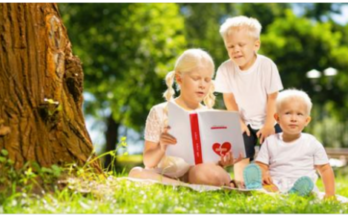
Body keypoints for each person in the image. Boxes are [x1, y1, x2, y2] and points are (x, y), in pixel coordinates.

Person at [129, 49, 242, 187]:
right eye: (196, 78)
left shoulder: (211, 116)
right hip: (166, 175)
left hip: (199, 173)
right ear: (179, 78)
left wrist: (223, 161)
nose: (202, 85)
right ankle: (187, 187)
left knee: (205, 173)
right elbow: (148, 162)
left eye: (207, 80)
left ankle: (186, 186)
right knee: (136, 173)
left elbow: (213, 163)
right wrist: (161, 147)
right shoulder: (160, 111)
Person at [214, 16, 283, 186]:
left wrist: (269, 124)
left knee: (276, 151)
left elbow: (272, 96)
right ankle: (241, 184)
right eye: (230, 46)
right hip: (244, 121)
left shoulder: (267, 65)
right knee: (240, 150)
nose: (236, 49)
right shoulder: (225, 69)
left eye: (241, 45)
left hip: (270, 118)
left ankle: (275, 182)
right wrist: (238, 121)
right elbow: (228, 98)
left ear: (256, 45)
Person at [243, 89, 335, 198]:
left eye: (299, 114)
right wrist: (264, 173)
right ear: (277, 118)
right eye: (287, 113)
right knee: (266, 187)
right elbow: (261, 164)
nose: (293, 119)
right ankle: (256, 186)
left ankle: (295, 194)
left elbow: (325, 169)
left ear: (306, 120)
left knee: (309, 191)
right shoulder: (270, 141)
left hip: (303, 186)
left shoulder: (312, 143)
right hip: (276, 185)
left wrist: (330, 194)